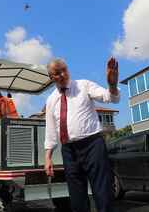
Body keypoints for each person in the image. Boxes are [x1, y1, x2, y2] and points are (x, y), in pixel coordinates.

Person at [45, 57, 120, 212]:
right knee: (76, 196)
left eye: (64, 70)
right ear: (51, 77)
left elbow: (109, 97)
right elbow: (51, 130)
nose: (63, 75)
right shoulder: (51, 100)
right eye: (57, 73)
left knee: (103, 191)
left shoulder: (84, 85)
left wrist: (112, 85)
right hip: (68, 150)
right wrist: (48, 157)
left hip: (93, 145)